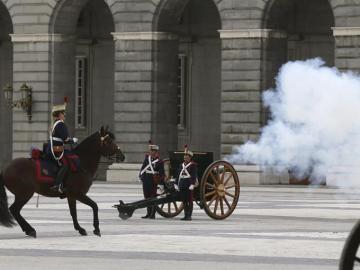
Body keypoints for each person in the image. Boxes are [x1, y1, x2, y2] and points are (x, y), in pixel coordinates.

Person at [47, 103, 78, 193]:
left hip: (53, 147)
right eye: (63, 113)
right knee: (67, 163)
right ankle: (57, 185)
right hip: (57, 149)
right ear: (59, 114)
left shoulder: (55, 124)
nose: (65, 115)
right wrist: (73, 140)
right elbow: (66, 140)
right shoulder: (60, 124)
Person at [139, 141, 165, 219]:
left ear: (156, 152)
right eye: (150, 151)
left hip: (153, 180)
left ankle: (152, 214)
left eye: (153, 151)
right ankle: (148, 213)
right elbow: (143, 168)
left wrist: (160, 183)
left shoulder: (159, 161)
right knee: (146, 197)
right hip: (146, 179)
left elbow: (161, 173)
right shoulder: (147, 159)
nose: (151, 152)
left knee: (153, 197)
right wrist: (141, 176)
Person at [176, 145, 197, 221]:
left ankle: (189, 216)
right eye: (184, 156)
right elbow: (178, 175)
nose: (185, 157)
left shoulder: (193, 165)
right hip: (182, 184)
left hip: (189, 184)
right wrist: (176, 183)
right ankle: (185, 215)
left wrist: (192, 184)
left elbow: (194, 176)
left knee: (190, 201)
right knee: (184, 201)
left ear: (190, 157)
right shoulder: (181, 165)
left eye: (187, 156)